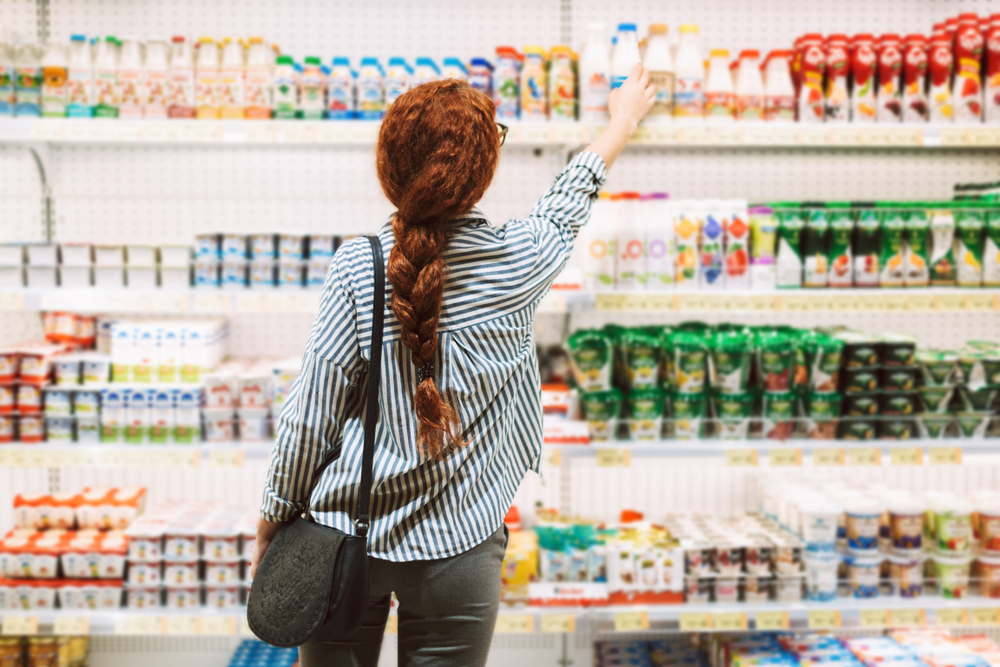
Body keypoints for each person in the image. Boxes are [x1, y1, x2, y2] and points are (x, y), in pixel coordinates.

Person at [251, 63, 655, 667]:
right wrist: (621, 121)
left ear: (390, 167)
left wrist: (273, 519)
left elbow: (311, 416)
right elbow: (569, 197)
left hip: (343, 539)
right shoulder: (521, 262)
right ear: (480, 171)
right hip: (462, 546)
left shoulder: (358, 266)